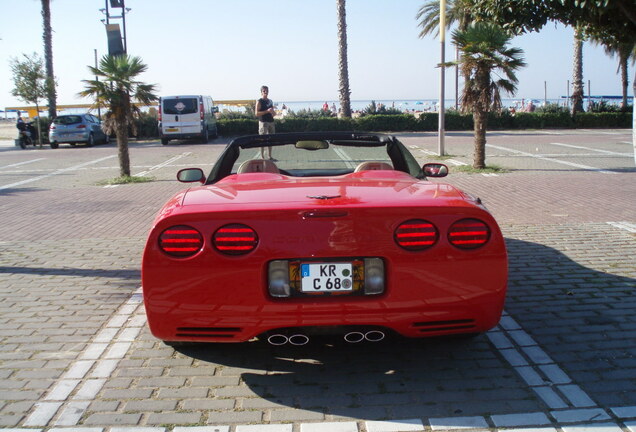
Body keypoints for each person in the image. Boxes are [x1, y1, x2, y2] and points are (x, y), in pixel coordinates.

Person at [255, 85, 275, 159]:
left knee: (271, 139)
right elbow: (256, 113)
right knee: (262, 140)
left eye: (267, 91)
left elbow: (272, 112)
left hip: (271, 122)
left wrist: (274, 113)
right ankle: (262, 157)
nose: (265, 92)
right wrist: (267, 111)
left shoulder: (270, 101)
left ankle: (270, 156)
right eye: (264, 91)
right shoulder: (259, 101)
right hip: (263, 122)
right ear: (261, 92)